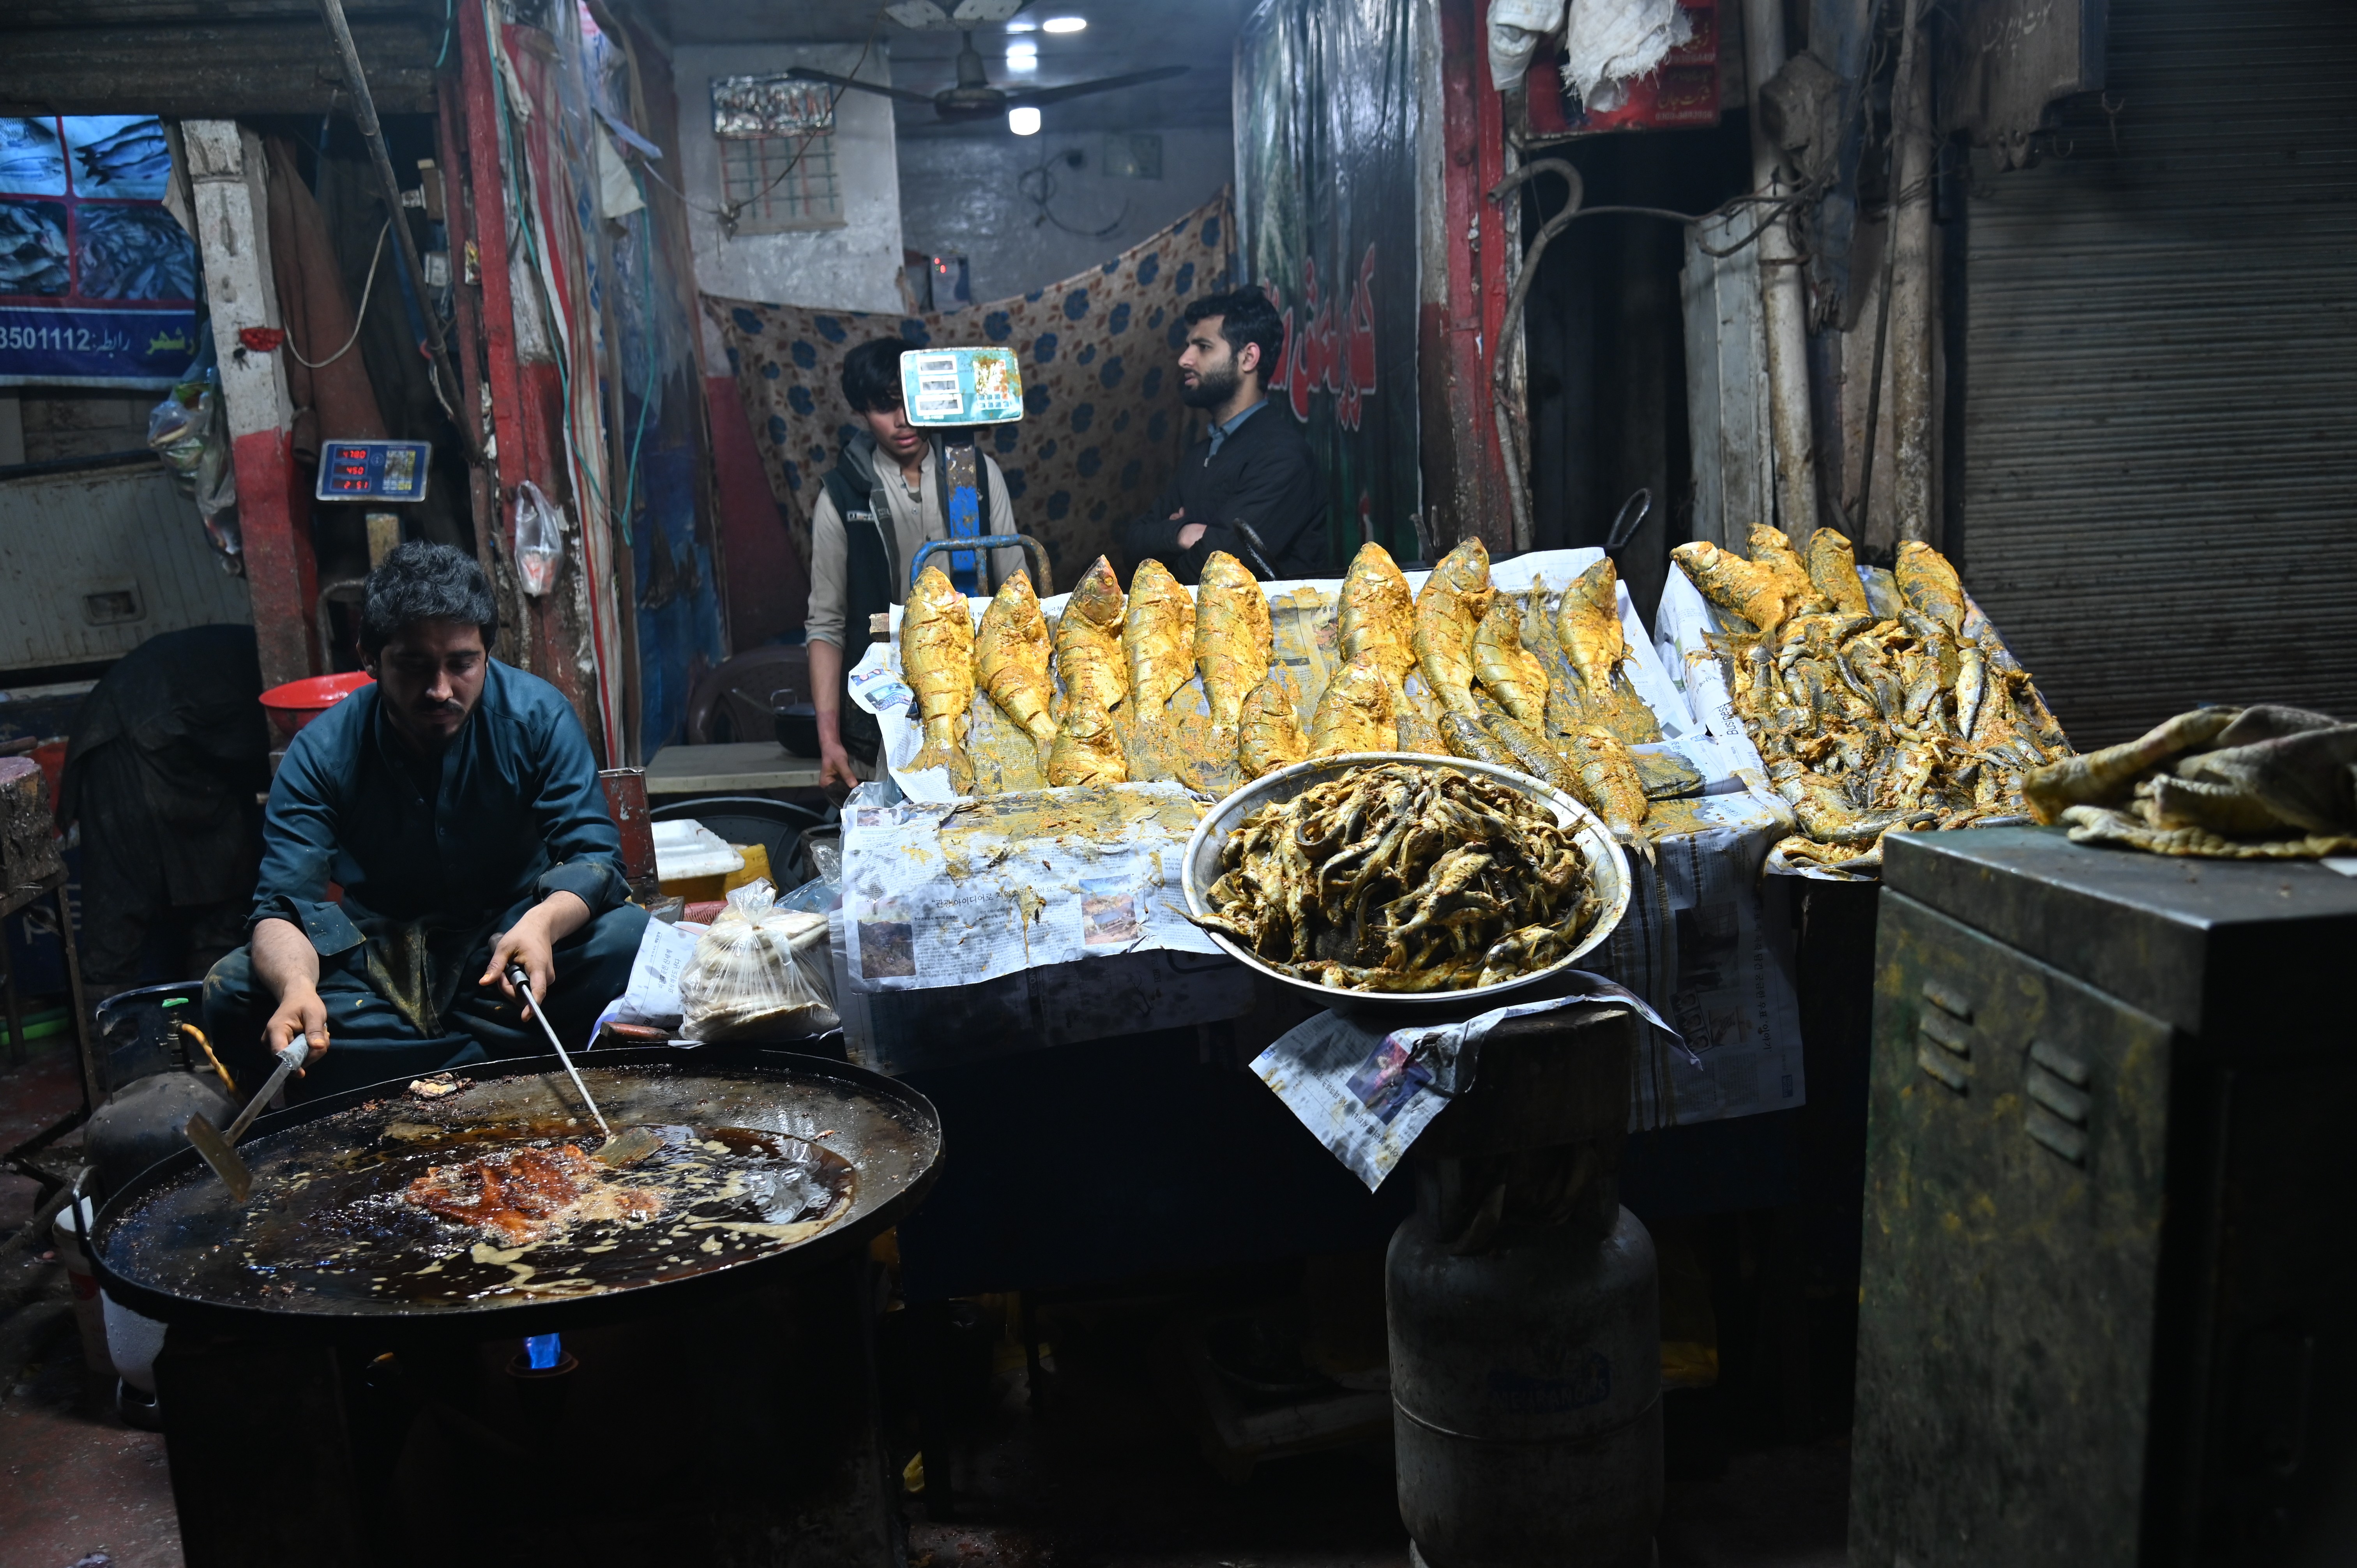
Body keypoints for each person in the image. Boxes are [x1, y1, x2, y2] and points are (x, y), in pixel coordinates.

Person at [201, 542, 648, 1100]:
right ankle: (494, 1058)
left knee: (627, 937)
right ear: (370, 658)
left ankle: (391, 1069)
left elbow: (594, 858)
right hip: (373, 951)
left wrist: (542, 924)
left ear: (487, 652)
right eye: (415, 666)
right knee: (234, 989)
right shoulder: (321, 751)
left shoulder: (538, 717)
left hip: (507, 943)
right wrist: (296, 985)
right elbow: (281, 907)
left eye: (461, 664)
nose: (440, 690)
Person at [806, 335, 1026, 793]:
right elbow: (826, 625)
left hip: (982, 706)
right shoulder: (842, 495)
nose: (903, 421)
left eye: (911, 404)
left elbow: (1021, 598)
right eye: (885, 406)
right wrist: (829, 741)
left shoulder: (981, 476)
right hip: (882, 723)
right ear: (862, 412)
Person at [57, 624, 270, 1010]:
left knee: (225, 890)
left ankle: (213, 1031)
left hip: (193, 746)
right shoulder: (281, 655)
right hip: (131, 729)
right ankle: (109, 1045)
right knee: (119, 902)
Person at [1115, 288, 1330, 585]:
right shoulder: (1200, 455)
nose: (1185, 360)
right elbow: (1133, 545)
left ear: (1248, 358)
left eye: (1203, 347)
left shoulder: (1282, 456)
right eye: (1189, 345)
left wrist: (1167, 556)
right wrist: (1183, 534)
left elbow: (1219, 569)